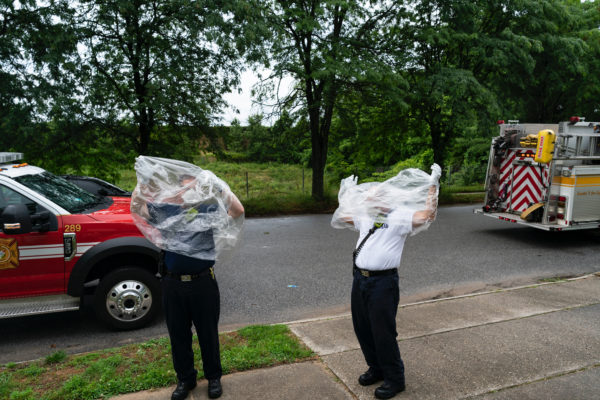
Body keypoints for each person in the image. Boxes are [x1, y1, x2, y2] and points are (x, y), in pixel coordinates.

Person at [140, 174, 244, 400]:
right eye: (184, 187)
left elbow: (237, 210)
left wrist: (218, 185)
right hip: (172, 284)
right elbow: (138, 209)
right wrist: (143, 181)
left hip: (202, 282)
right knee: (178, 335)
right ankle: (185, 379)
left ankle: (214, 378)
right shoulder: (166, 211)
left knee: (208, 333)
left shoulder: (208, 211)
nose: (189, 191)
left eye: (194, 187)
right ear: (176, 190)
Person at [342, 174, 439, 399]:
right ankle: (376, 368)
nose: (371, 203)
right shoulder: (366, 216)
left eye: (375, 199)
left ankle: (395, 379)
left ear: (388, 199)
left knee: (383, 332)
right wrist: (347, 192)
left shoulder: (399, 217)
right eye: (369, 200)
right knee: (362, 328)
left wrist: (432, 188)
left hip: (382, 284)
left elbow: (427, 216)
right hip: (360, 280)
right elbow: (345, 217)